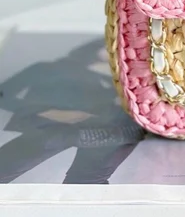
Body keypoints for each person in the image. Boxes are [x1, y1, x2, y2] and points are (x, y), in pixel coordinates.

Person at [0, 40, 142, 184]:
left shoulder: (132, 81)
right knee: (5, 167)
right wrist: (45, 111)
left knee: (86, 182)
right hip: (53, 128)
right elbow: (3, 95)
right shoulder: (48, 68)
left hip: (107, 133)